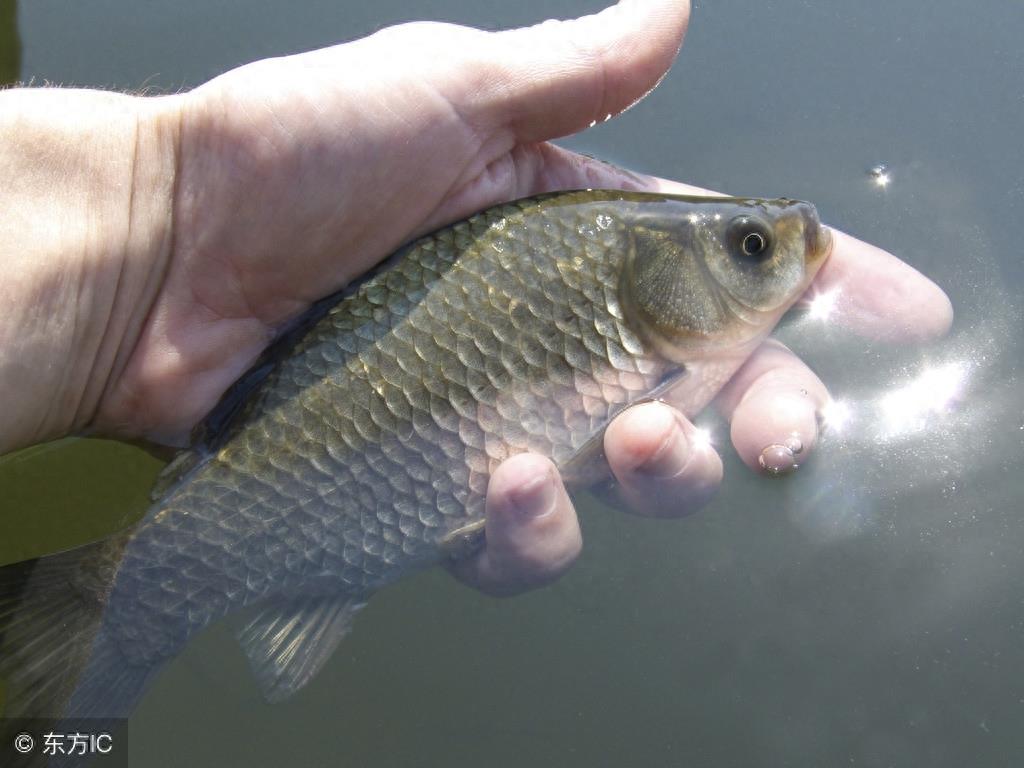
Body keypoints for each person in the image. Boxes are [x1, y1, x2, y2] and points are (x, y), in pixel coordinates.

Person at [0, 0, 950, 596]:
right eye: (751, 248)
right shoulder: (621, 289)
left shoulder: (628, 290)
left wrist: (146, 225)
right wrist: (156, 211)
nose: (777, 250)